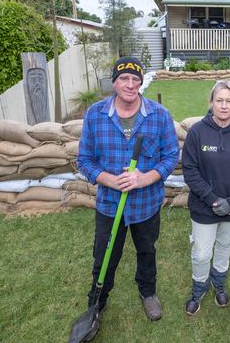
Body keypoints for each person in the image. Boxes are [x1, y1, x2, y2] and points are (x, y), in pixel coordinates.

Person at [77, 57, 180, 325]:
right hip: (110, 205)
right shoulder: (95, 115)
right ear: (114, 81)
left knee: (147, 251)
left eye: (136, 79)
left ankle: (148, 293)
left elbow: (170, 156)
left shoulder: (159, 115)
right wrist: (110, 180)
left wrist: (145, 178)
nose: (131, 84)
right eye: (124, 78)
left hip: (146, 204)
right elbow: (84, 160)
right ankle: (96, 302)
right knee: (105, 256)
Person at [181, 80, 230, 315]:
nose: (223, 105)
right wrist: (212, 199)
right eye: (219, 100)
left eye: (228, 101)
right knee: (201, 251)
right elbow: (189, 170)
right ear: (211, 102)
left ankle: (218, 283)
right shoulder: (197, 132)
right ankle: (199, 287)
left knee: (224, 246)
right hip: (204, 206)